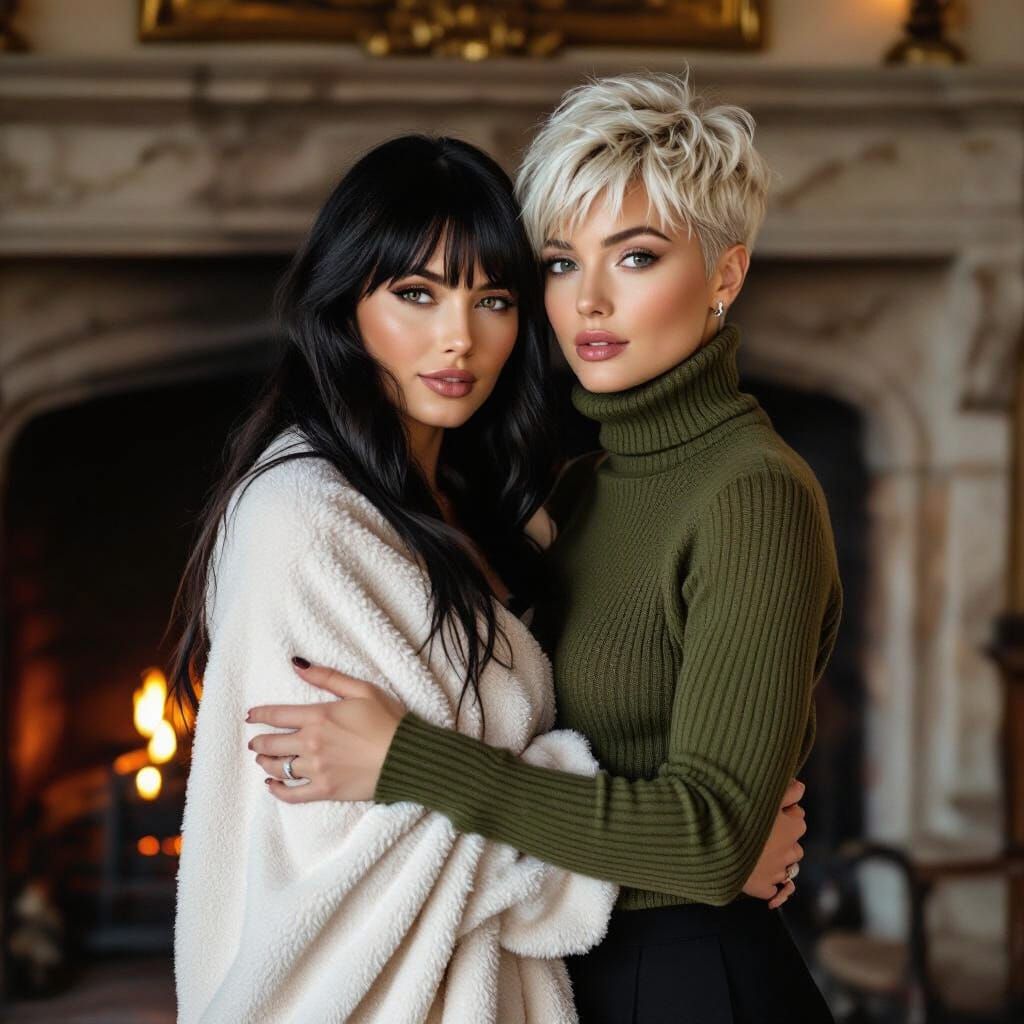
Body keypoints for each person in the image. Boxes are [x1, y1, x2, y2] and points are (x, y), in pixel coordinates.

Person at [248, 71, 840, 1023]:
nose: (589, 302)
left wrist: (410, 762)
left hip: (686, 985)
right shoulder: (576, 490)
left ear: (725, 275)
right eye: (560, 264)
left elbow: (711, 841)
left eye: (636, 257)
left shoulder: (753, 494)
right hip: (567, 971)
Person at [170, 134, 623, 1024]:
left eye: (493, 299)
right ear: (345, 307)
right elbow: (368, 851)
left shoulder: (491, 509)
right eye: (416, 294)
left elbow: (450, 801)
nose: (460, 339)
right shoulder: (304, 520)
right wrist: (672, 854)